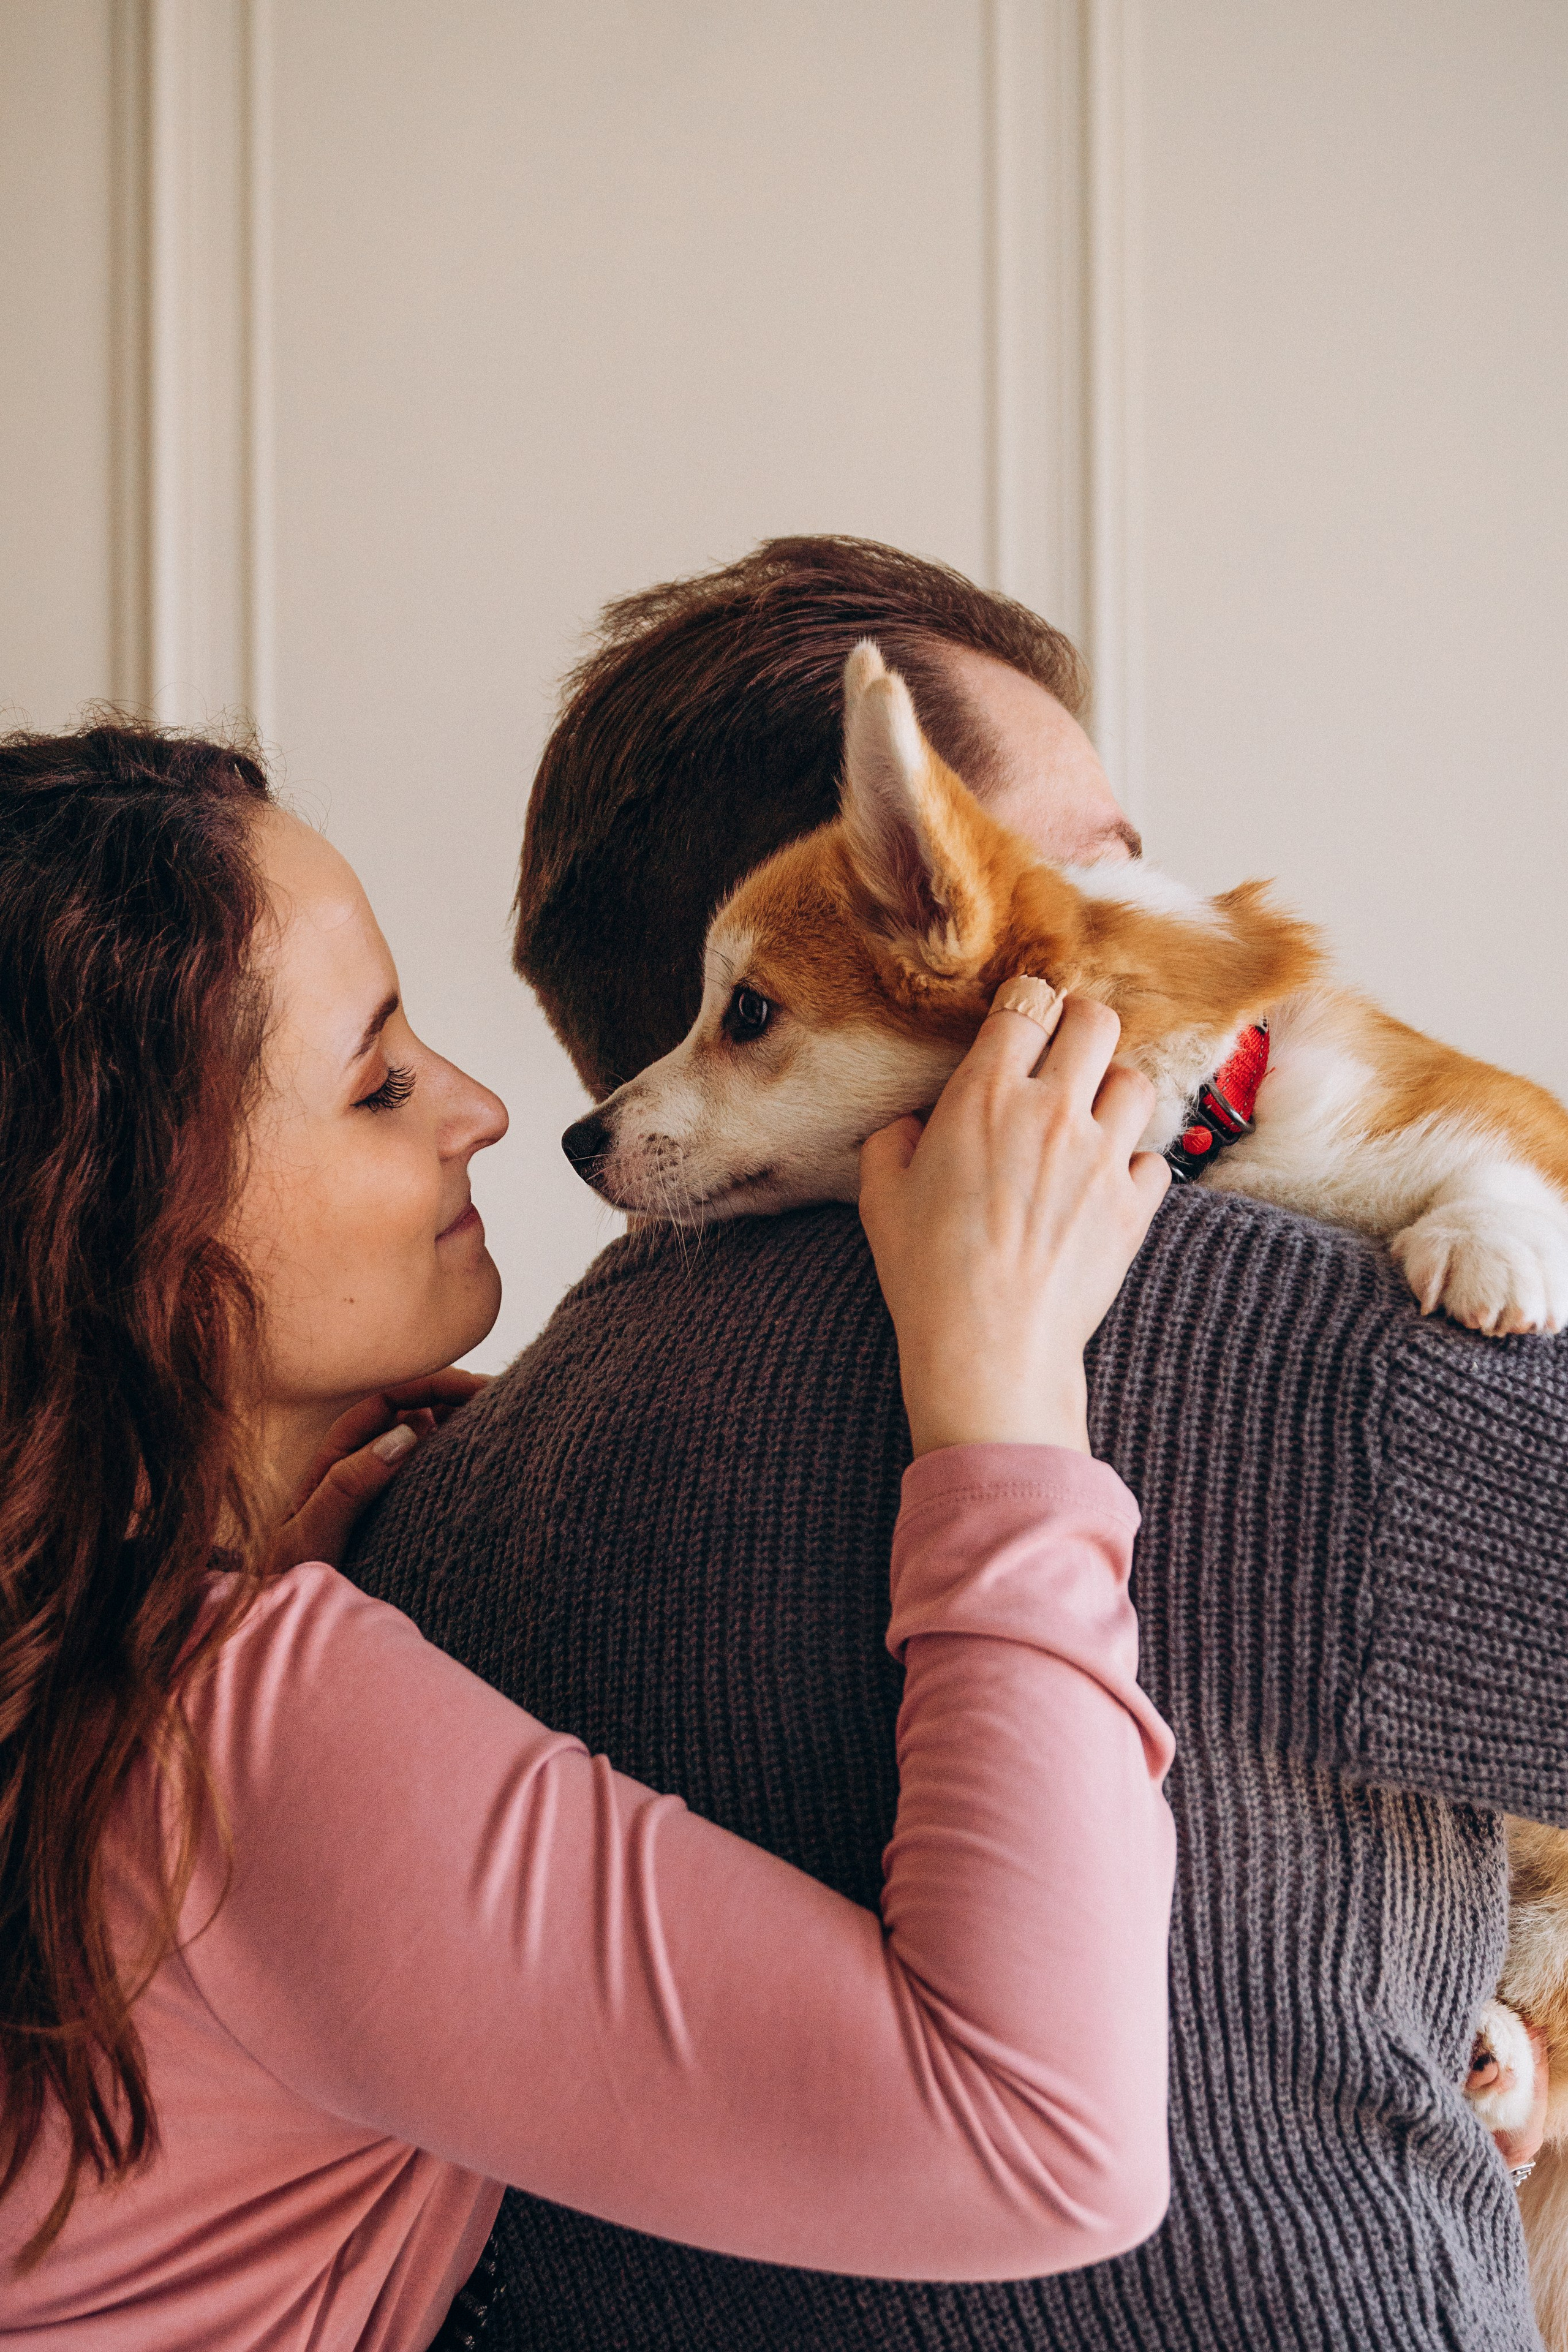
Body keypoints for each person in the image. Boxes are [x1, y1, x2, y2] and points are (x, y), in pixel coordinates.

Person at [349, 536, 1568, 2352]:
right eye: (1088, 868)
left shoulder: (402, 1533)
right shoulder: (1320, 1351)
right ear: (935, 898)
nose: (1145, 905)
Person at [0, 721, 1177, 2348]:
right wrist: (1001, 1397)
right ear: (131, 1223)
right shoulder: (227, 1742)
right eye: (379, 1080)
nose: (480, 1110)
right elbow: (1042, 2145)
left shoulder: (94, 1671)